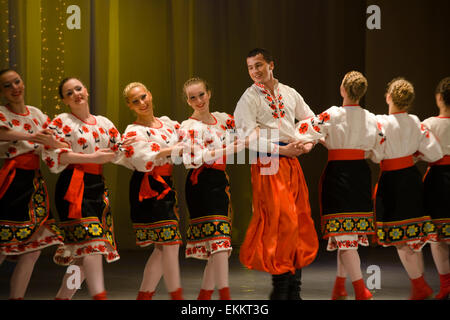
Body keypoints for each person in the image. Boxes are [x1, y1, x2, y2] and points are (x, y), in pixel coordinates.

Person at [234, 48, 319, 300]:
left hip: (292, 161)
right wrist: (282, 151)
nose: (255, 71)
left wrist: (307, 143)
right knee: (282, 223)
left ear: (272, 64)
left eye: (259, 65)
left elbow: (310, 120)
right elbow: (246, 137)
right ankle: (280, 288)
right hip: (269, 162)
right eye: (250, 67)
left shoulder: (289, 92)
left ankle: (294, 290)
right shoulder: (249, 98)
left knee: (299, 220)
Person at [297, 71, 383, 300]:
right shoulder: (372, 118)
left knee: (344, 233)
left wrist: (321, 140)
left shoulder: (332, 114)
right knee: (348, 233)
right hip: (361, 174)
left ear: (342, 89)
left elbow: (304, 130)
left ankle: (359, 289)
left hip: (339, 175)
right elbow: (377, 153)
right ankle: (339, 286)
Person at [43, 77, 121, 300]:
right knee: (93, 247)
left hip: (97, 188)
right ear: (64, 100)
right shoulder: (61, 121)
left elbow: (121, 149)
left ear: (86, 90)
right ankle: (100, 296)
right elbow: (51, 153)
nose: (76, 94)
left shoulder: (104, 123)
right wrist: (92, 157)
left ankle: (63, 297)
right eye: (69, 93)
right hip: (73, 188)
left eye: (78, 88)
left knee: (83, 255)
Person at [374, 78, 443, 300]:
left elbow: (375, 153)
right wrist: (413, 155)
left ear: (388, 97)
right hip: (411, 180)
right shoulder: (416, 122)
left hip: (392, 181)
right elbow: (434, 153)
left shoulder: (381, 123)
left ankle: (420, 285)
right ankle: (419, 286)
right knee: (412, 234)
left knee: (400, 237)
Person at [116, 82, 184, 300]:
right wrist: (170, 150)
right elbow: (141, 156)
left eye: (143, 97)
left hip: (166, 185)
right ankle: (177, 296)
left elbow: (187, 142)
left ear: (150, 95)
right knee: (170, 244)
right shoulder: (133, 130)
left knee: (163, 248)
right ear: (130, 105)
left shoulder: (168, 124)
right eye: (135, 101)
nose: (142, 103)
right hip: (148, 186)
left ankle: (144, 297)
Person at [0, 69, 64, 299]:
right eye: (8, 85)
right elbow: (4, 133)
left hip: (34, 183)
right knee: (4, 245)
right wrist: (34, 137)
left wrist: (57, 142)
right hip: (12, 182)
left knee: (32, 250)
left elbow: (53, 138)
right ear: (2, 92)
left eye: (17, 81)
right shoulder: (1, 113)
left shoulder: (36, 114)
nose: (15, 88)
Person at [179, 77, 243, 300]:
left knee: (221, 247)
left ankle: (204, 297)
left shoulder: (224, 120)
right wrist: (226, 149)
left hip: (220, 181)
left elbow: (249, 136)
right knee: (219, 244)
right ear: (187, 101)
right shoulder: (188, 126)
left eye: (201, 95)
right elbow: (190, 159)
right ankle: (224, 296)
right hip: (200, 183)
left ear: (209, 93)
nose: (198, 100)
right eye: (192, 97)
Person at [421, 76, 450, 299]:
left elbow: (417, 152)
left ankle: (446, 285)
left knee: (438, 237)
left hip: (438, 180)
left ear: (439, 97)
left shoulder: (429, 124)